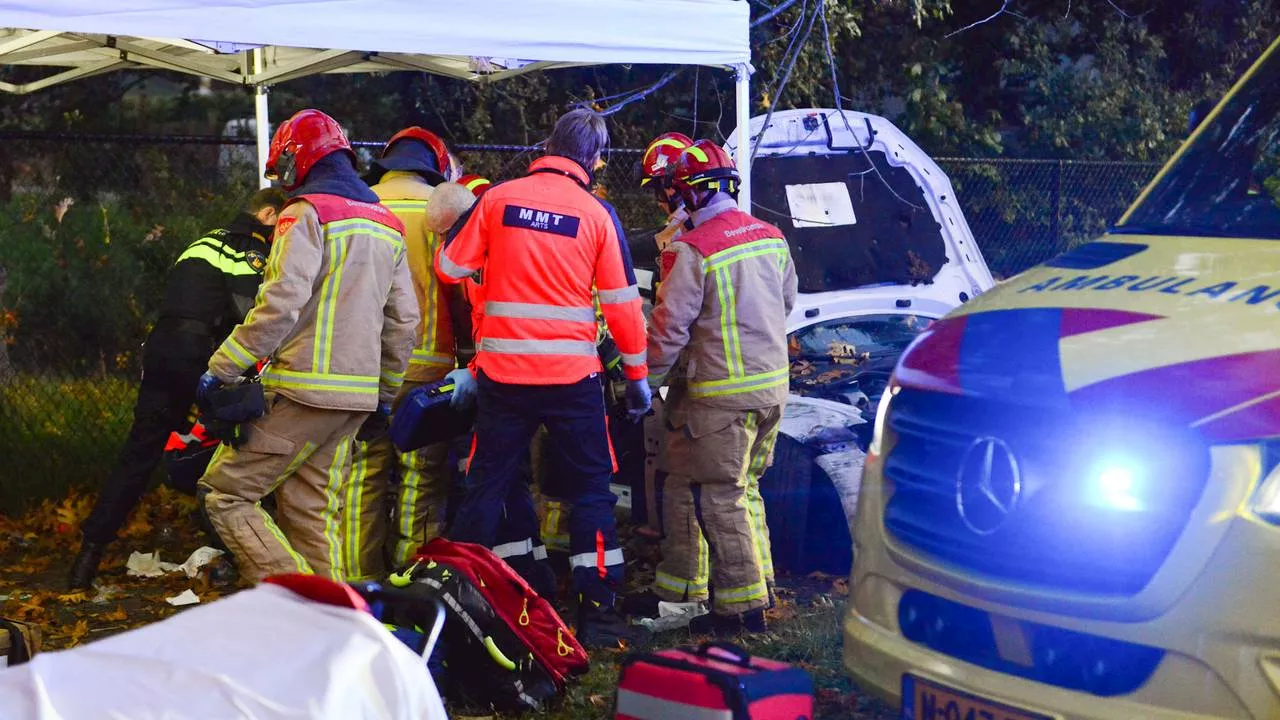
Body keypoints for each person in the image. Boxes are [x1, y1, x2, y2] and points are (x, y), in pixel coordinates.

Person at [435, 109, 651, 647]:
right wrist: (639, 378)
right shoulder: (598, 215)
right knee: (592, 493)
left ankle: (457, 602)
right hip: (573, 381)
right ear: (595, 159)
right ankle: (597, 618)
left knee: (486, 485)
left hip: (504, 378)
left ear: (548, 144)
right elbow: (624, 307)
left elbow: (450, 269)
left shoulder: (498, 200)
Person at [197, 109, 419, 584]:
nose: (282, 182)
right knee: (312, 514)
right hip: (355, 402)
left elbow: (280, 304)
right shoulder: (387, 224)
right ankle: (332, 633)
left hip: (300, 393)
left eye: (282, 171)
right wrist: (383, 395)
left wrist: (223, 368)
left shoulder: (306, 214)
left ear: (299, 161)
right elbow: (404, 322)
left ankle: (303, 601)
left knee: (226, 493)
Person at [69, 188, 288, 590]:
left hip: (162, 353)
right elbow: (251, 311)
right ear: (269, 215)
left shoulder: (202, 242)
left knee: (139, 455)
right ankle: (240, 553)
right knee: (245, 455)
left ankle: (87, 559)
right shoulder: (249, 247)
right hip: (203, 359)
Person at [630, 139, 797, 635]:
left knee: (717, 497)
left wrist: (641, 385)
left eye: (672, 194)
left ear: (691, 195)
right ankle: (711, 588)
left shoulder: (694, 249)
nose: (668, 204)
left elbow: (668, 331)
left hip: (718, 399)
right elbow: (785, 302)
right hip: (771, 391)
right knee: (737, 489)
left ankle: (741, 612)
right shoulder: (769, 235)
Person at [342, 127, 473, 582]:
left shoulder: (356, 205)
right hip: (428, 366)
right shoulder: (441, 209)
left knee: (363, 475)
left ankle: (359, 579)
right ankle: (411, 580)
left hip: (361, 368)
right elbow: (461, 290)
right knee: (421, 478)